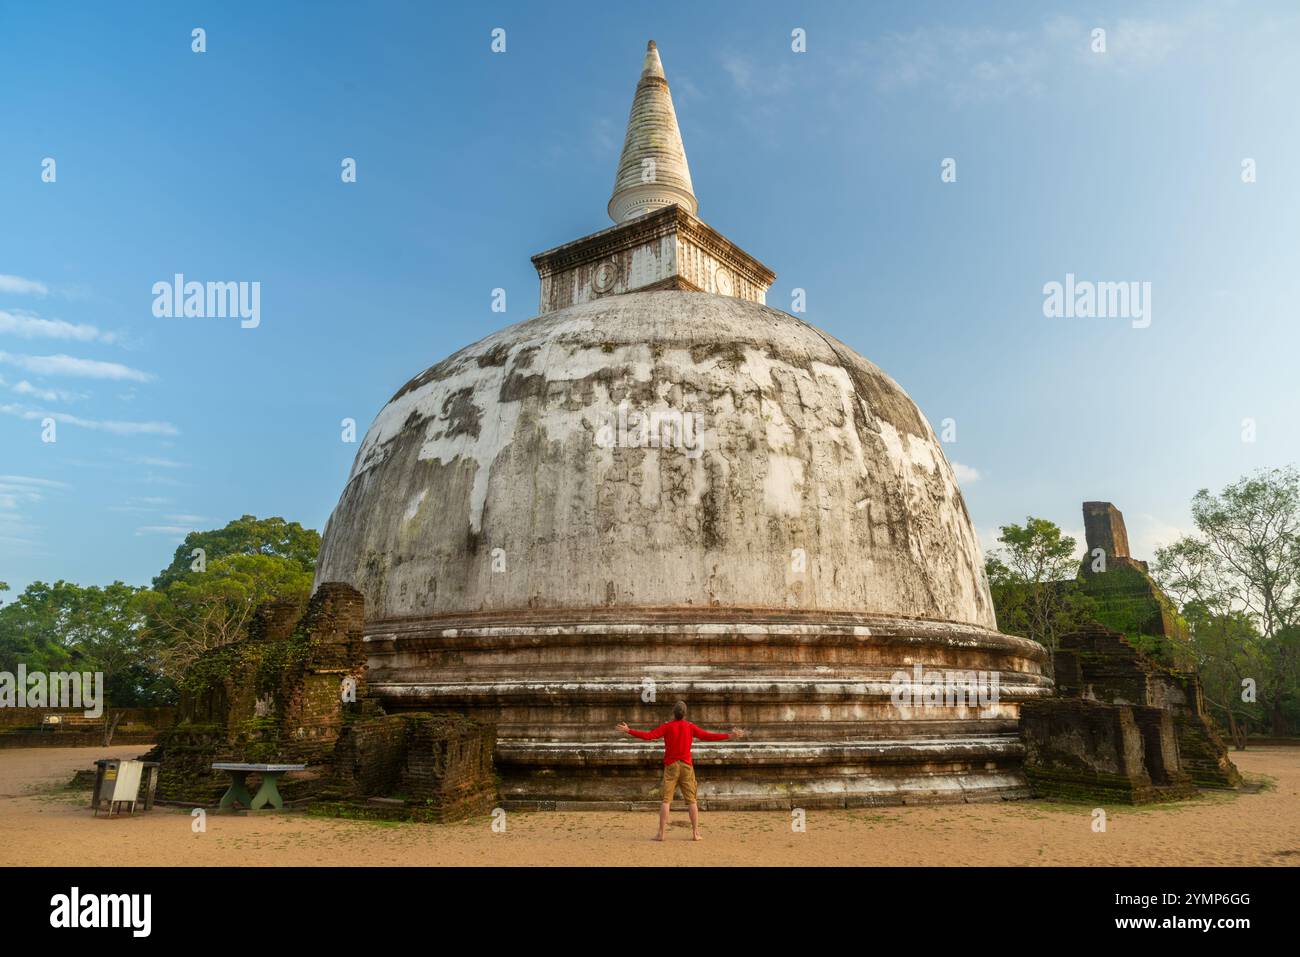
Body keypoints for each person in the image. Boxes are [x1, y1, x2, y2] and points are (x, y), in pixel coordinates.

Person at [617, 699, 747, 841]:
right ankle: (695, 833)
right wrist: (729, 736)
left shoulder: (668, 727)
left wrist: (629, 730)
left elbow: (649, 736)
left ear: (674, 713)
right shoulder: (690, 727)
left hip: (671, 766)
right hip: (686, 765)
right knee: (692, 801)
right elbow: (708, 736)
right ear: (685, 714)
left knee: (666, 800)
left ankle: (661, 833)